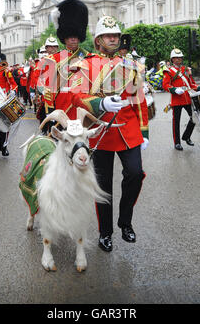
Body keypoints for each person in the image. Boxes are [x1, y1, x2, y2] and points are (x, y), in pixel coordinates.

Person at [67, 15, 149, 252]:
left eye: (116, 36)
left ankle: (125, 222)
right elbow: (75, 96)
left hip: (129, 130)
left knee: (135, 174)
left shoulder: (130, 66)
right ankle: (105, 232)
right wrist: (100, 104)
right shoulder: (85, 65)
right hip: (100, 130)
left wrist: (145, 132)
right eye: (108, 36)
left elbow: (138, 100)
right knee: (103, 187)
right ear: (99, 40)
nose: (113, 39)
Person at [162, 48, 200, 151]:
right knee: (176, 122)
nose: (178, 60)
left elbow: (191, 83)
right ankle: (177, 143)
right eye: (176, 58)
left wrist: (199, 87)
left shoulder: (186, 69)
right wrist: (174, 90)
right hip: (176, 100)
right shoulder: (169, 71)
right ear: (172, 59)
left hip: (187, 98)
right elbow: (165, 85)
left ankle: (186, 136)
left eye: (180, 58)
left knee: (195, 117)